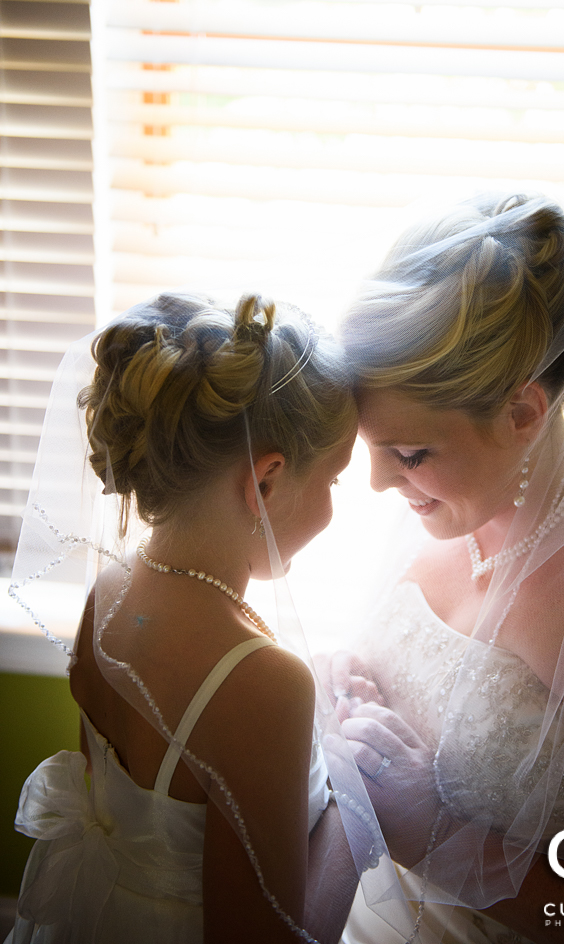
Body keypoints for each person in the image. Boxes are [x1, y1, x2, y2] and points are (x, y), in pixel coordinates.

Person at [321, 193, 564, 943]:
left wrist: (437, 838)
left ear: (521, 413)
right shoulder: (445, 505)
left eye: (409, 454)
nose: (378, 483)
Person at [6, 291, 364, 944]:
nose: (336, 504)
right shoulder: (262, 681)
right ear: (265, 482)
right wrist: (355, 809)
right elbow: (263, 932)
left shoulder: (109, 590)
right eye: (335, 480)